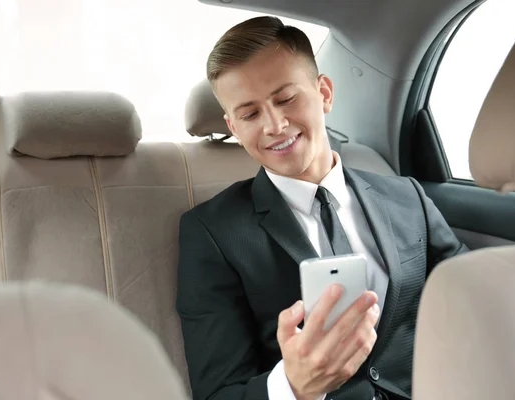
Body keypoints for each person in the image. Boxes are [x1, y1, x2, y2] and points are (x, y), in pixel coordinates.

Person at [176, 16, 468, 400]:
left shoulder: (407, 197)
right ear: (233, 125)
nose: (275, 125)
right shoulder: (213, 232)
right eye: (250, 114)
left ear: (325, 93)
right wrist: (293, 386)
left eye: (286, 99)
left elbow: (473, 297)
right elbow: (218, 393)